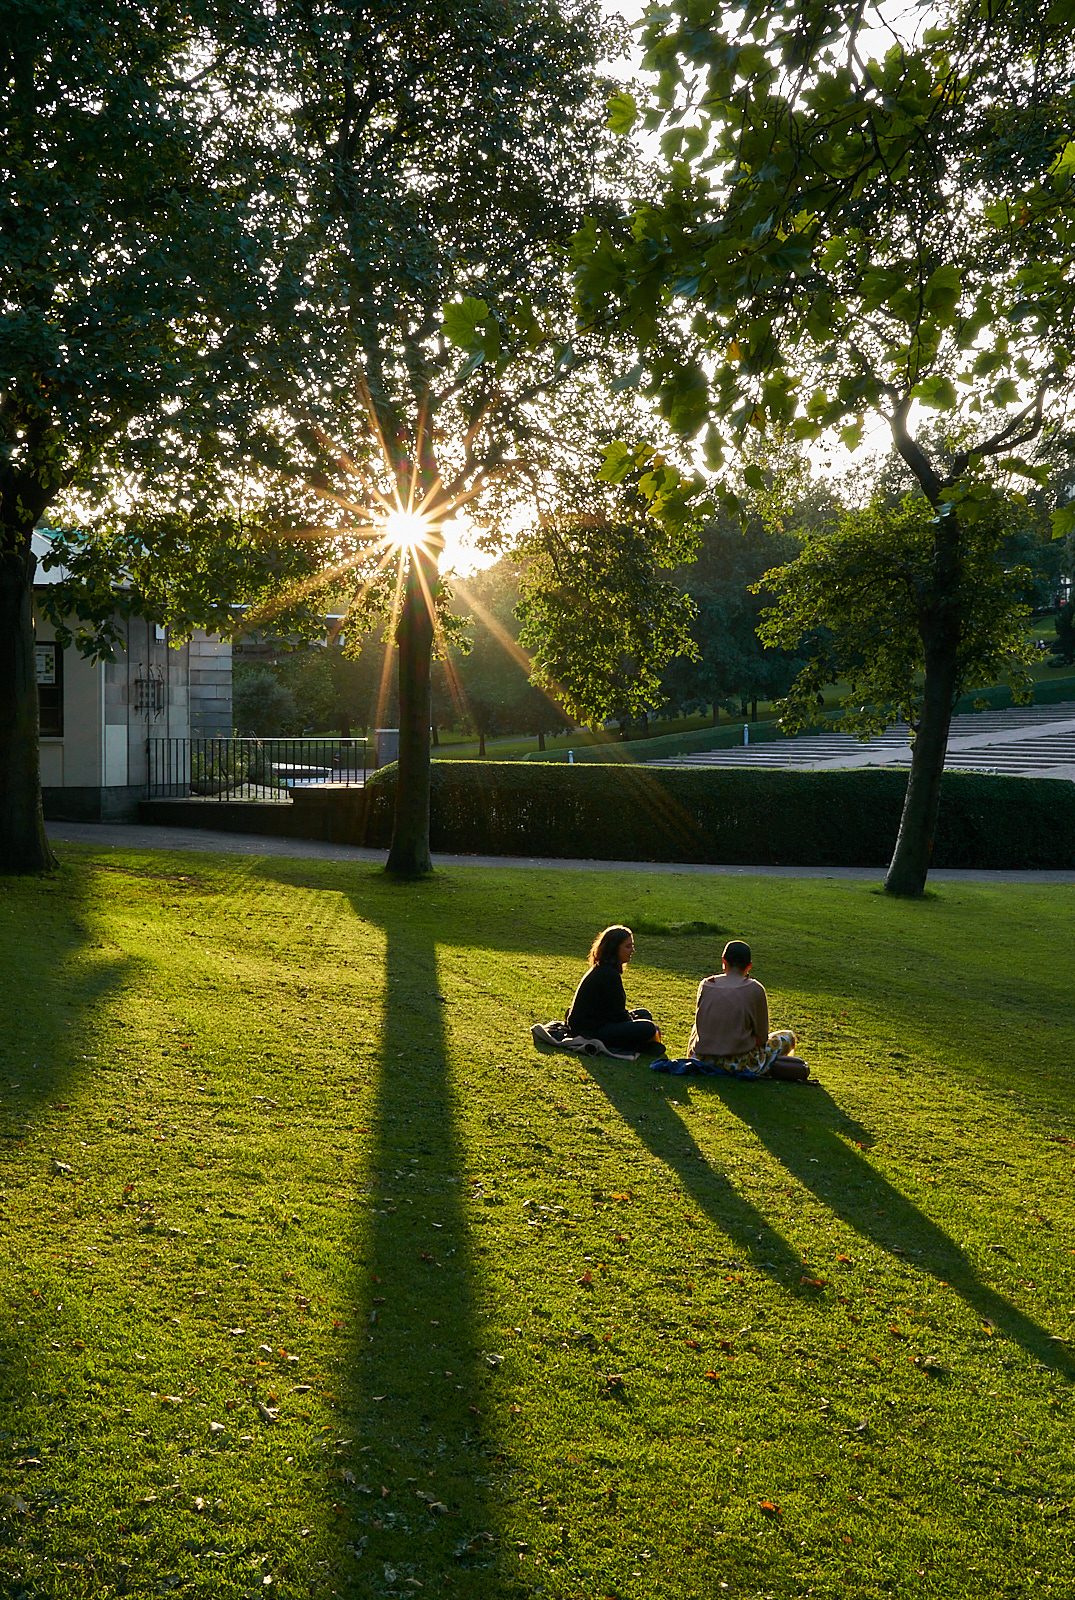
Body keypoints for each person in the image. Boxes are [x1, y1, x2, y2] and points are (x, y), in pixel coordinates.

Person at [687, 939, 811, 1081]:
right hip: (740, 1063)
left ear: (723, 961)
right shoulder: (755, 989)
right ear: (749, 966)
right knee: (788, 1037)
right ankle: (777, 1068)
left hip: (701, 1059)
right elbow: (762, 1036)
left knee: (696, 1027)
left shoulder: (706, 984)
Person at [566, 925, 664, 1053]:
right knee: (648, 1027)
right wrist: (643, 1026)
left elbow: (614, 1012)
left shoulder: (605, 969)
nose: (632, 950)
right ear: (614, 949)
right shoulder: (608, 974)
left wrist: (633, 1019)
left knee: (645, 1014)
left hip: (599, 1021)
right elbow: (618, 1016)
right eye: (628, 947)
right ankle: (641, 1044)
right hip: (591, 1031)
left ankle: (642, 1041)